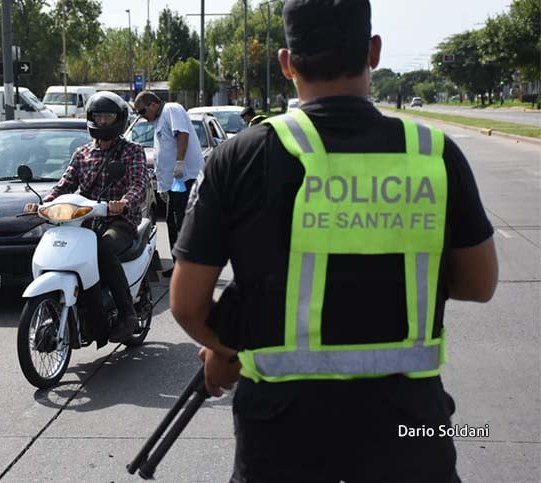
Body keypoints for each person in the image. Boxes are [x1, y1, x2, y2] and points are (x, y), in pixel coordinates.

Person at [169, 0, 498, 481]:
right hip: (410, 427)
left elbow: (187, 305)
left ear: (286, 63)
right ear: (374, 52)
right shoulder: (432, 153)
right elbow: (478, 283)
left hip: (282, 433)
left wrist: (231, 353)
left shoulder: (242, 156)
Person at [24, 91, 147, 344]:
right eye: (98, 117)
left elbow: (138, 184)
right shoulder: (82, 153)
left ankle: (128, 314)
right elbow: (64, 184)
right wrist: (43, 204)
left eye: (108, 117)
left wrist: (123, 204)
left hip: (119, 222)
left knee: (102, 249)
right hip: (85, 221)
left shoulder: (132, 151)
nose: (102, 122)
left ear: (119, 119)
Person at [133, 90, 204, 277]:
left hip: (185, 178)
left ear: (153, 104)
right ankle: (179, 266)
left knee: (182, 224)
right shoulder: (159, 120)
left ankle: (189, 268)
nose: (142, 117)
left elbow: (182, 134)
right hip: (173, 182)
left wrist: (180, 161)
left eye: (142, 111)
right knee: (173, 224)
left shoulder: (172, 109)